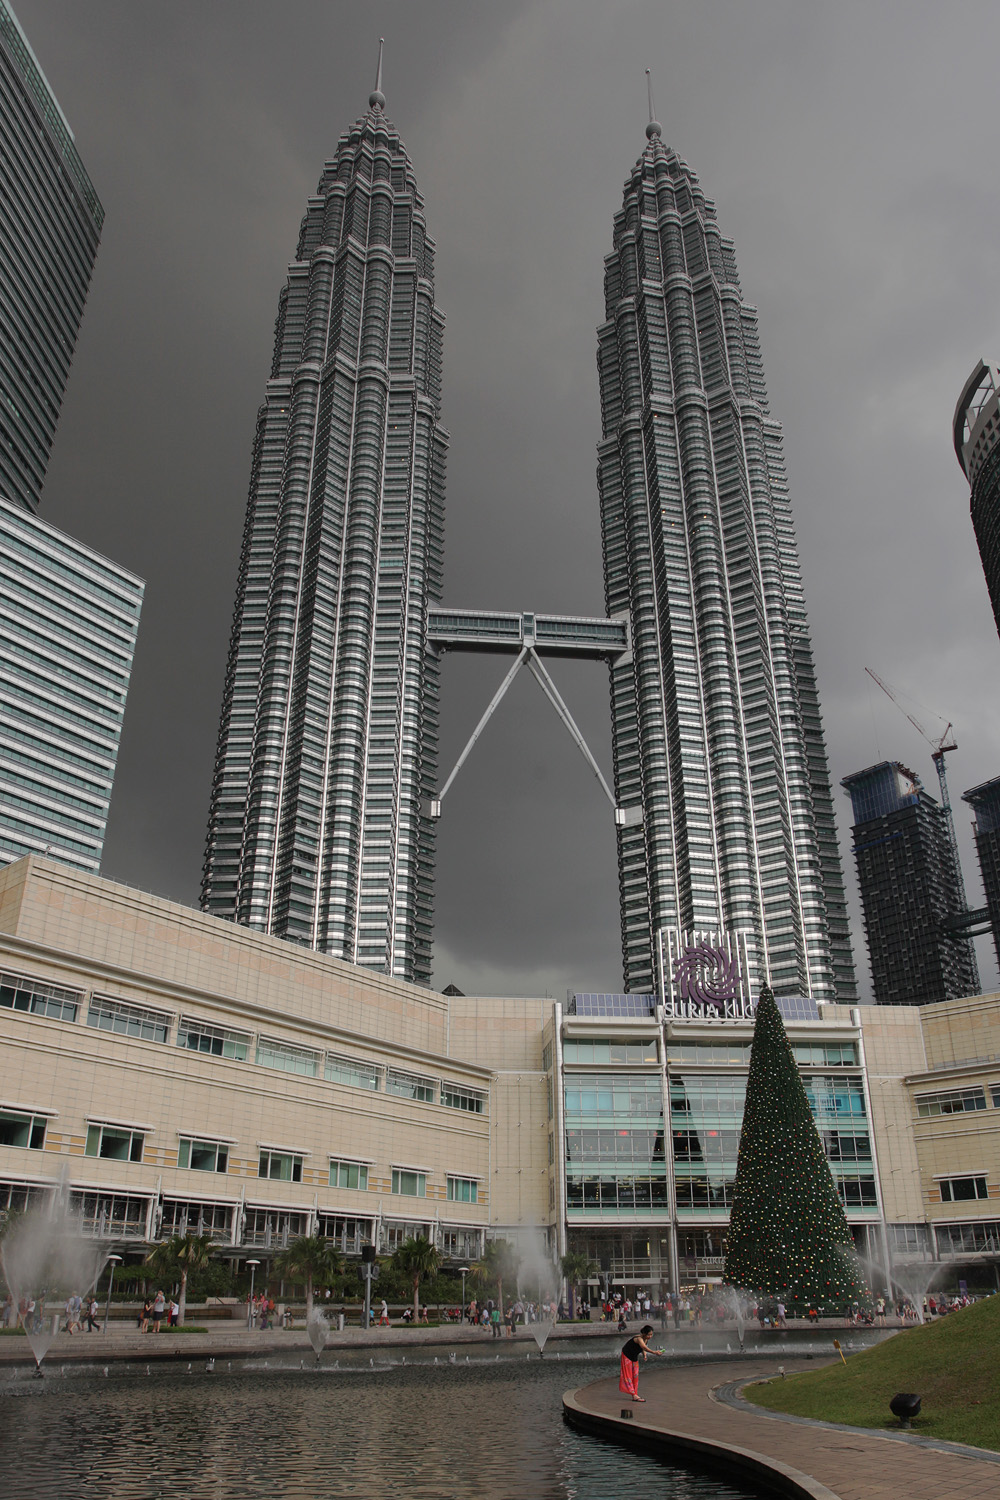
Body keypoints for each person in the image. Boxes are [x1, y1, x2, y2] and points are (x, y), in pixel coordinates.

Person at [619, 1324, 663, 1402]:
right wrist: (654, 1352)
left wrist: (644, 1355)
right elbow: (643, 1346)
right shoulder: (639, 1338)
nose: (650, 1336)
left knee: (635, 1375)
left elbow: (643, 1348)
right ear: (644, 1334)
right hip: (627, 1355)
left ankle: (635, 1393)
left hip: (634, 1356)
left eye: (651, 1335)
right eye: (649, 1334)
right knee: (628, 1375)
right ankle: (634, 1395)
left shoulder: (645, 1339)